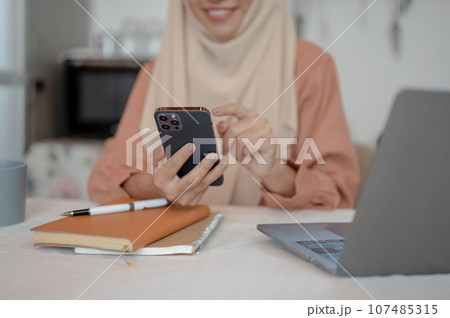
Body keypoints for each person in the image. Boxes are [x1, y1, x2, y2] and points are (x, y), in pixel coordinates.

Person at [88, 0, 359, 210]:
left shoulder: (311, 66)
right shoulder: (155, 71)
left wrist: (275, 173)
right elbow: (104, 181)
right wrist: (156, 187)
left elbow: (339, 198)